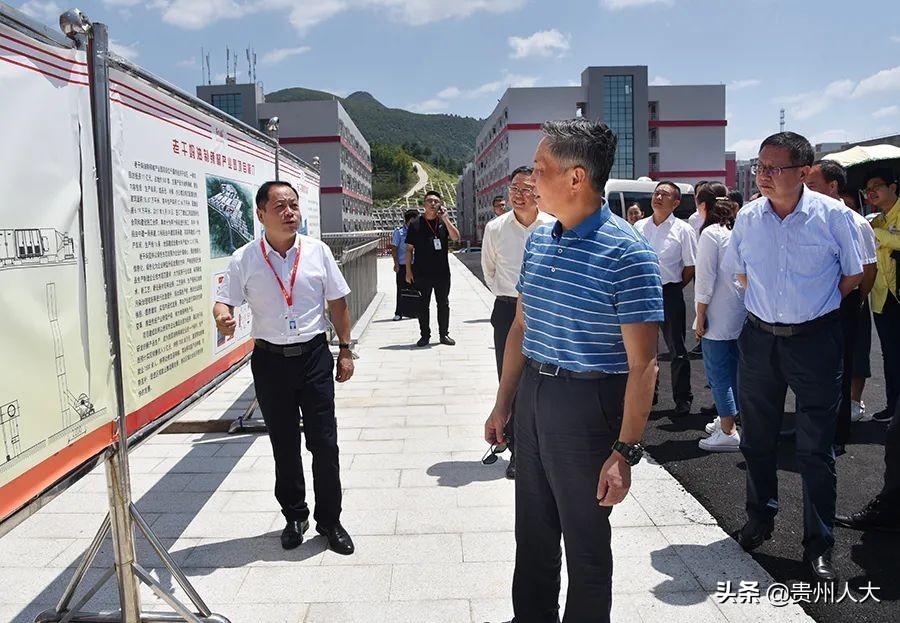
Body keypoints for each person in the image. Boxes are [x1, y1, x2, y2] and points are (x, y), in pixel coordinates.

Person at [484, 118, 662, 623]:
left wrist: (625, 451)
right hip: (536, 394)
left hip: (588, 405)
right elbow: (520, 327)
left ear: (576, 178)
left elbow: (643, 363)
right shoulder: (541, 241)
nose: (530, 180)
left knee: (585, 545)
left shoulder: (628, 253)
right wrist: (504, 403)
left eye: (540, 170)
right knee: (533, 533)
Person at [725, 132, 863, 581]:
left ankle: (818, 543)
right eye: (759, 167)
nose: (762, 175)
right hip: (760, 340)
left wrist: (809, 309)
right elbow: (739, 273)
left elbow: (852, 276)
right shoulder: (748, 217)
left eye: (773, 168)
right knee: (757, 439)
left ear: (804, 172)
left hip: (815, 342)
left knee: (815, 448)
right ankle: (760, 517)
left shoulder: (833, 217)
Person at [213, 181, 356, 555]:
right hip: (270, 361)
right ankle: (295, 515)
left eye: (294, 205)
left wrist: (344, 350)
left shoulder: (317, 252)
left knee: (324, 442)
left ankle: (330, 520)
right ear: (260, 214)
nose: (291, 212)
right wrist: (223, 317)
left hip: (313, 357)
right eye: (280, 206)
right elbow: (223, 303)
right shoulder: (244, 258)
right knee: (284, 443)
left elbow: (338, 304)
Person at [481, 165, 555, 480]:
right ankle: (516, 452)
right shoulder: (495, 228)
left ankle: (543, 447)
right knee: (508, 382)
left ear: (538, 191)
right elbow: (489, 271)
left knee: (542, 381)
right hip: (508, 308)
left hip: (546, 312)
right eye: (514, 188)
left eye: (526, 189)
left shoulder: (554, 225)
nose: (519, 195)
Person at [806, 161, 878, 450]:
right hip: (813, 304)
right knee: (811, 371)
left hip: (842, 303)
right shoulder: (810, 218)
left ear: (832, 186)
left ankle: (837, 436)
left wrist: (851, 301)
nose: (806, 191)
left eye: (811, 185)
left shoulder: (855, 221)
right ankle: (810, 431)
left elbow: (867, 271)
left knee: (839, 370)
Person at [634, 181, 697, 415]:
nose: (658, 197)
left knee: (677, 349)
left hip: (669, 292)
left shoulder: (683, 229)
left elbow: (690, 266)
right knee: (645, 350)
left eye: (665, 194)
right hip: (642, 293)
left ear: (676, 202)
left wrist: (675, 287)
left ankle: (682, 398)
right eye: (656, 193)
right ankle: (650, 394)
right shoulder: (639, 226)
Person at [694, 194, 745, 452]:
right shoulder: (737, 230)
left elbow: (705, 279)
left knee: (718, 373)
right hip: (740, 310)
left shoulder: (710, 234)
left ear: (704, 207)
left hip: (717, 311)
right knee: (734, 368)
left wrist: (700, 314)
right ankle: (729, 420)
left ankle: (728, 429)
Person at [862, 170, 900, 424]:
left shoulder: (874, 226)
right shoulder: (876, 221)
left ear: (894, 187)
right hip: (882, 298)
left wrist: (876, 234)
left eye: (877, 186)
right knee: (890, 355)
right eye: (868, 189)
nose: (871, 192)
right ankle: (893, 406)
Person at [405, 190, 461, 346]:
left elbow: (456, 237)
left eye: (436, 201)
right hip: (421, 272)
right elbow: (409, 249)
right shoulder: (415, 224)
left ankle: (444, 335)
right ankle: (425, 335)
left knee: (443, 303)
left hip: (442, 272)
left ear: (440, 204)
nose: (433, 203)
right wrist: (408, 271)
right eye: (429, 201)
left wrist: (447, 219)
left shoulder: (443, 222)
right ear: (424, 204)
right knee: (423, 304)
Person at [391, 209, 420, 321]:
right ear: (411, 219)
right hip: (403, 265)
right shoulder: (399, 232)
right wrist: (396, 264)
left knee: (416, 288)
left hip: (415, 265)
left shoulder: (418, 231)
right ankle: (399, 312)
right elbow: (394, 248)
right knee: (401, 289)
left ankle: (414, 311)